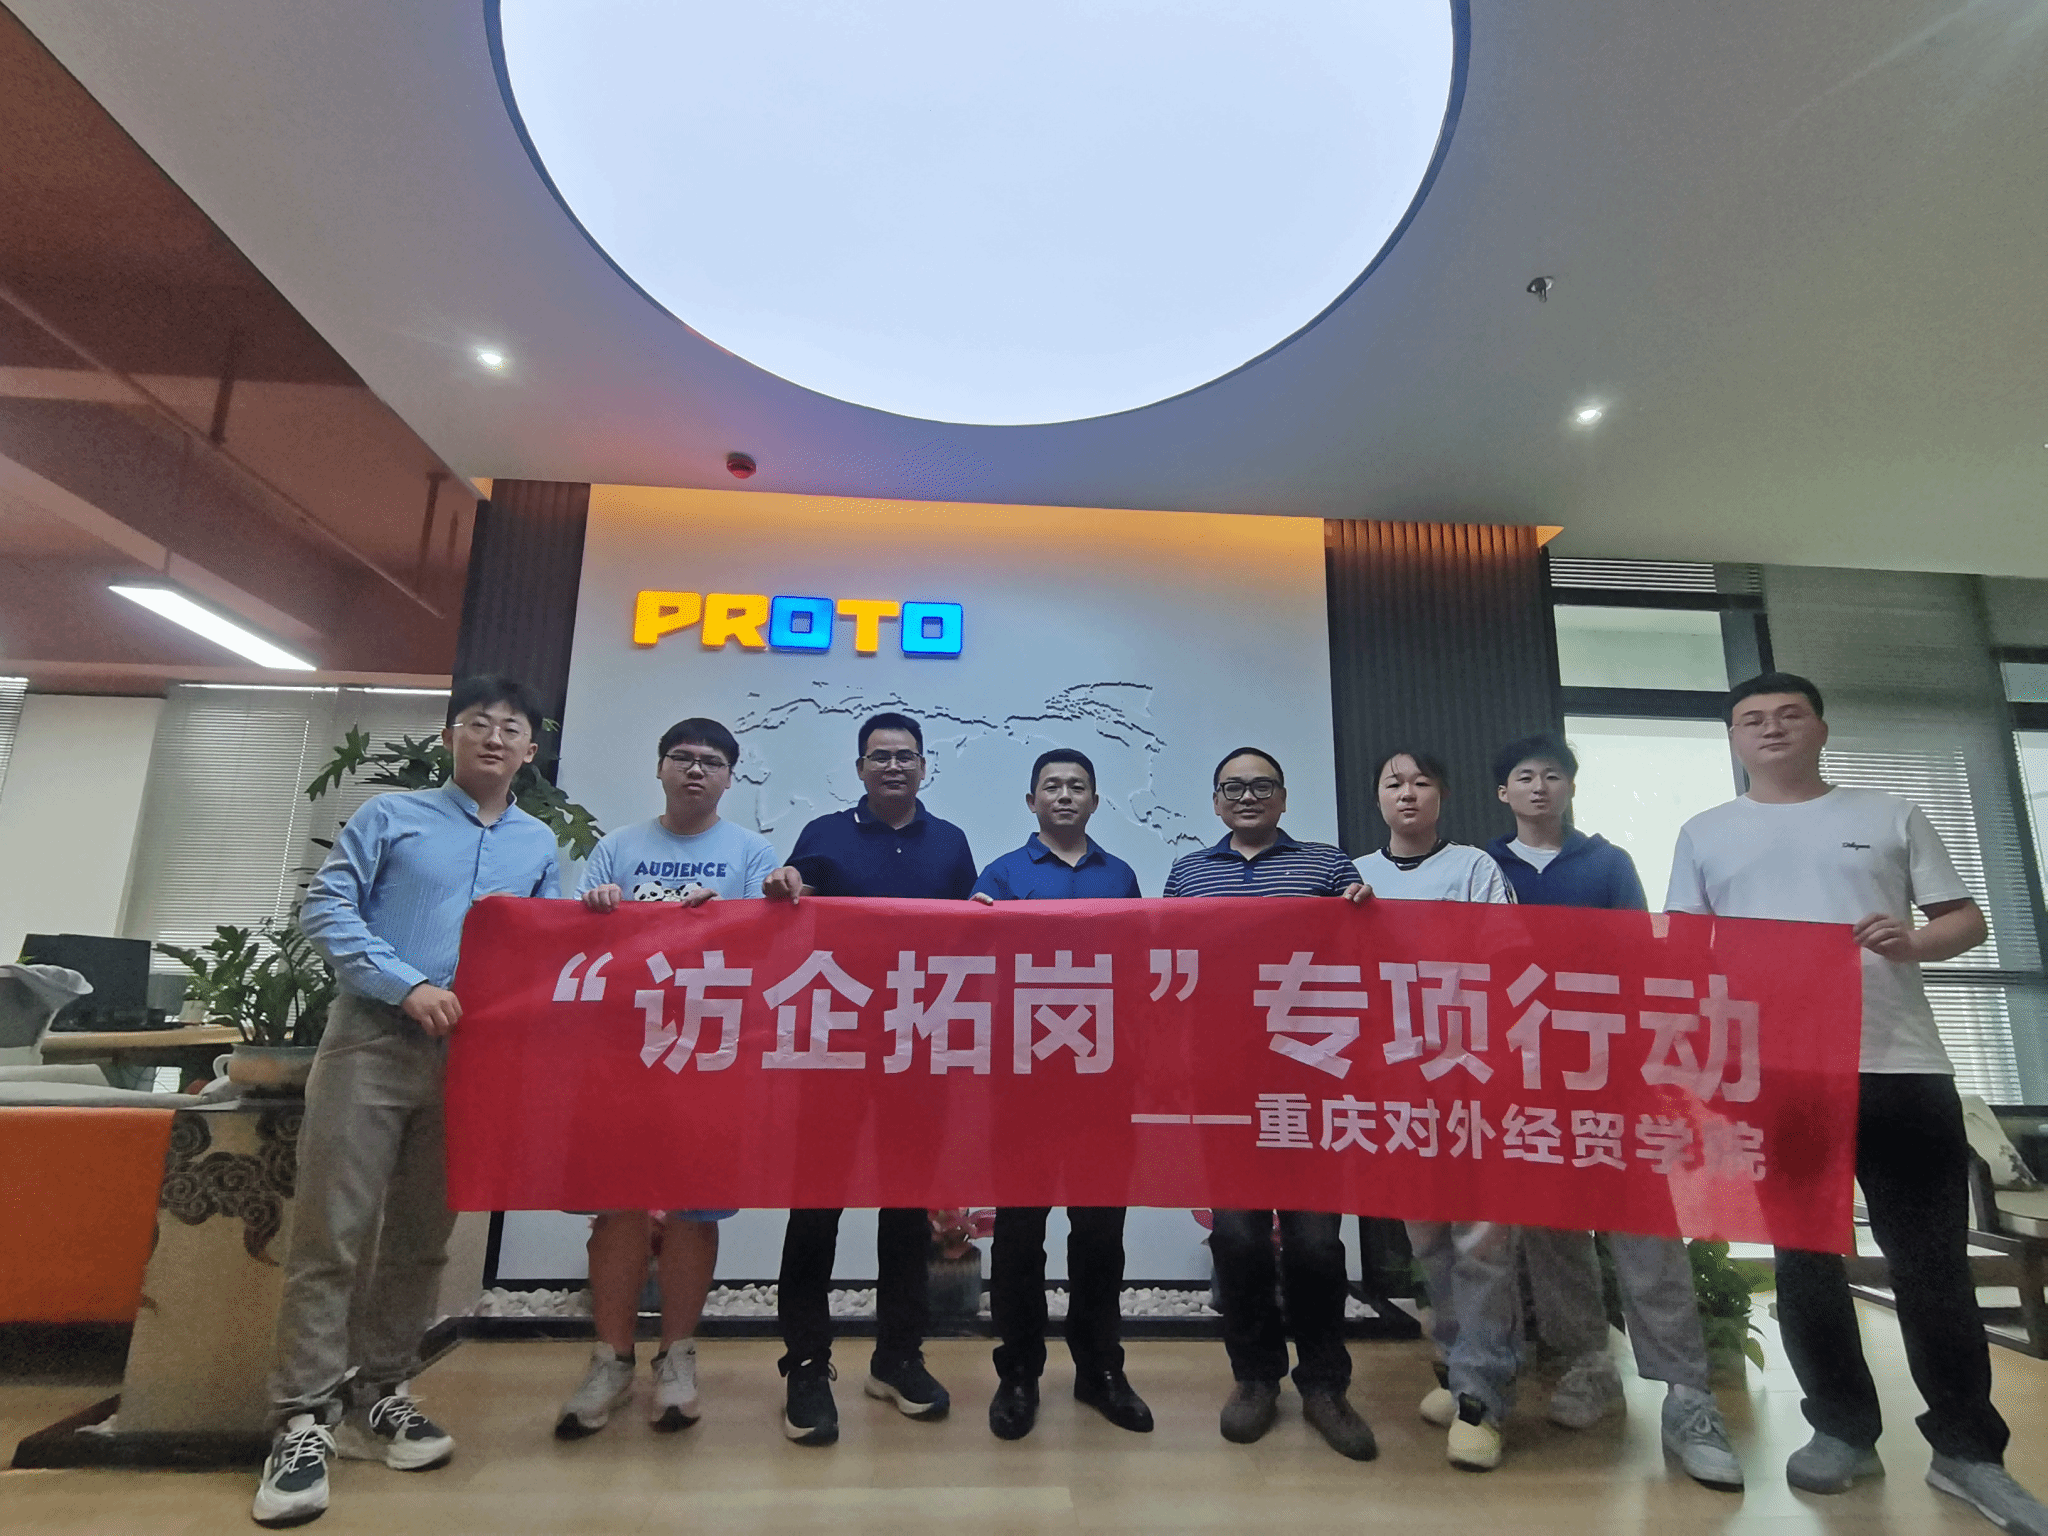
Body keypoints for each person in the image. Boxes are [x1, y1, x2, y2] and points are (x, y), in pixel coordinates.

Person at [1668, 672, 2048, 1533]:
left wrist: (1914, 941)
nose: (1771, 728)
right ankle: (1841, 1428)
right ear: (1734, 738)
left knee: (1931, 1262)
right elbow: (1686, 954)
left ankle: (1968, 1449)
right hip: (1780, 1072)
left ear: (1821, 729)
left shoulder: (1889, 813)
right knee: (1805, 1259)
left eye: (1789, 714)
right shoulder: (1706, 832)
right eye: (1752, 719)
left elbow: (1966, 920)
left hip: (1900, 1064)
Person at [254, 677, 562, 1528]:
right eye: (479, 723)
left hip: (473, 1061)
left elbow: (544, 947)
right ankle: (302, 1420)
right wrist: (405, 983)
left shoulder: (538, 843)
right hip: (372, 1039)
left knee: (422, 1238)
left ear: (530, 750)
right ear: (450, 736)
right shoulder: (391, 816)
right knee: (333, 1232)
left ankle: (380, 1393)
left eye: (511, 728)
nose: (494, 737)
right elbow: (327, 907)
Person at [1486, 731, 1743, 1490]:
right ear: (1503, 792)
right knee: (1551, 1228)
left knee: (1645, 1227)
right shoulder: (1482, 867)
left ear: (1570, 787)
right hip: (1523, 1074)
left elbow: (1636, 960)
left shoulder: (1608, 864)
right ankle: (1587, 1365)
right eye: (1524, 776)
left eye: (1553, 775)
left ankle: (1688, 1397)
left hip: (1610, 1069)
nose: (1539, 787)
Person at [555, 717, 798, 1440]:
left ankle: (678, 1357)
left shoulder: (751, 852)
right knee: (617, 1206)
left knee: (697, 1209)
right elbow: (574, 943)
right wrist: (602, 913)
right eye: (683, 758)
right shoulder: (617, 848)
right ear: (659, 767)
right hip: (620, 1053)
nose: (696, 770)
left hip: (710, 1054)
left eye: (711, 762)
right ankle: (610, 1359)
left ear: (730, 777)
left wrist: (749, 907)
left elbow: (770, 947)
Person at [1162, 747, 1377, 1461]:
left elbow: (1365, 945)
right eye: (1234, 787)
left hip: (1313, 1079)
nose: (1248, 796)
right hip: (1225, 1081)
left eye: (1262, 786)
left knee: (1316, 1242)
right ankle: (1255, 1378)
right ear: (1215, 801)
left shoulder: (1327, 866)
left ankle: (1324, 1385)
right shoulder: (1189, 874)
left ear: (1283, 798)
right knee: (1239, 1237)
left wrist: (1364, 906)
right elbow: (1165, 958)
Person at [772, 712, 978, 1447]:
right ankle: (805, 1366)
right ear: (860, 767)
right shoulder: (824, 836)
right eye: (880, 756)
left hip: (917, 1050)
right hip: (832, 1049)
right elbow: (787, 912)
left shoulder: (951, 842)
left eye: (906, 756)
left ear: (924, 767)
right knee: (815, 1208)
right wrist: (785, 885)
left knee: (906, 1210)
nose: (894, 766)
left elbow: (970, 935)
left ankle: (897, 1358)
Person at [969, 748, 1153, 1441]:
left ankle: (1100, 1369)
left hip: (1103, 1078)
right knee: (1020, 1233)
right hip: (1021, 1080)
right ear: (1031, 801)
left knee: (1100, 1232)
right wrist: (973, 923)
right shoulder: (1000, 876)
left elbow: (1137, 966)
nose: (1065, 795)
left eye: (1078, 786)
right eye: (1052, 785)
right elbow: (971, 965)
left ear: (1096, 801)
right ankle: (1018, 1373)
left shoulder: (1120, 875)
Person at [1355, 749, 1521, 1472]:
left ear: (1441, 796)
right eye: (1394, 782)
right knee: (1427, 1236)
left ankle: (1483, 1397)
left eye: (1421, 782)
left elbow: (1507, 959)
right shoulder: (1355, 876)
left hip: (1469, 1068)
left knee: (1481, 1234)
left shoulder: (1475, 868)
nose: (1408, 793)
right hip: (1396, 1078)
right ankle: (1456, 1367)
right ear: (1378, 797)